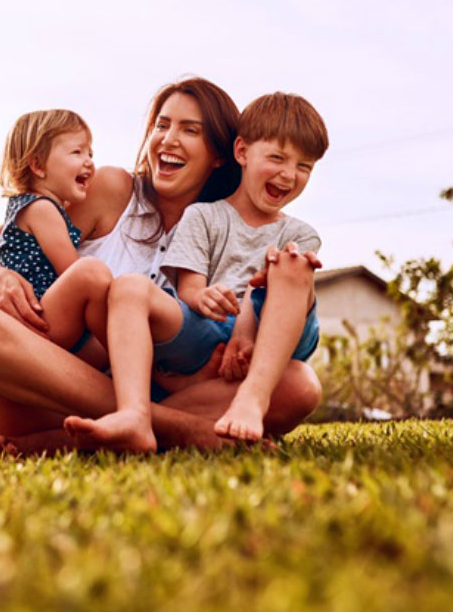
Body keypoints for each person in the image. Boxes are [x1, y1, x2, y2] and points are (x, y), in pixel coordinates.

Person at [0, 78, 323, 455]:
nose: (168, 139)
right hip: (42, 389)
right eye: (162, 125)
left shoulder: (228, 229)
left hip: (163, 392)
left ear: (221, 155)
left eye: (189, 130)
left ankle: (88, 434)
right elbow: (13, 237)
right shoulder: (111, 189)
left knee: (299, 385)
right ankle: (174, 428)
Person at [64, 92, 328, 451]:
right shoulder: (203, 215)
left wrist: (247, 332)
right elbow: (189, 287)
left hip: (274, 335)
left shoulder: (299, 234)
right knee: (129, 287)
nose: (288, 174)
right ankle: (134, 415)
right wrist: (202, 296)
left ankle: (252, 398)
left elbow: (269, 291)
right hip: (209, 328)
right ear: (241, 153)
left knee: (291, 266)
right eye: (278, 158)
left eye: (304, 167)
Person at [0, 109, 111, 362]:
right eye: (77, 152)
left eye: (90, 153)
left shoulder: (21, 207)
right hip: (41, 318)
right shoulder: (43, 209)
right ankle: (125, 352)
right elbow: (71, 269)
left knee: (107, 357)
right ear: (38, 165)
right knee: (91, 273)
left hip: (34, 320)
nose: (89, 162)